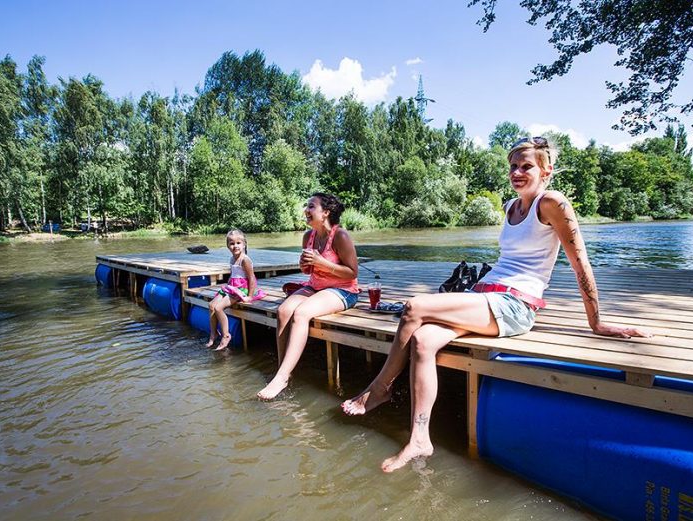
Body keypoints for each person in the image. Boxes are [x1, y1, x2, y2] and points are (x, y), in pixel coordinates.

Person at [341, 136, 651, 472]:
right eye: (513, 166)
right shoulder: (510, 207)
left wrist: (596, 322)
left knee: (415, 307)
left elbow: (581, 264)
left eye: (526, 166)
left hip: (514, 305)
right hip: (484, 297)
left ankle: (379, 389)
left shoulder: (552, 203)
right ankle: (420, 438)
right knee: (423, 340)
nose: (517, 172)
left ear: (546, 171)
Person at [257, 193, 360, 400]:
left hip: (343, 290)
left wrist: (322, 262)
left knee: (301, 313)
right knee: (284, 310)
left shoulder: (340, 236)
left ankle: (281, 377)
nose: (306, 210)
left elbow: (352, 273)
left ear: (325, 213)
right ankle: (284, 370)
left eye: (311, 206)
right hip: (315, 286)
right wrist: (304, 265)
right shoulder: (308, 237)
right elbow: (307, 271)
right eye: (307, 206)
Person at [207, 229, 266, 350]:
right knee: (211, 305)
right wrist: (227, 287)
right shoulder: (232, 259)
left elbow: (251, 278)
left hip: (241, 289)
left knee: (218, 308)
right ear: (227, 246)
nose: (235, 246)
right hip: (232, 287)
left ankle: (226, 335)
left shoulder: (245, 260)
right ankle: (213, 333)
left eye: (238, 243)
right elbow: (233, 275)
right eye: (232, 243)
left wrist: (249, 296)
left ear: (244, 244)